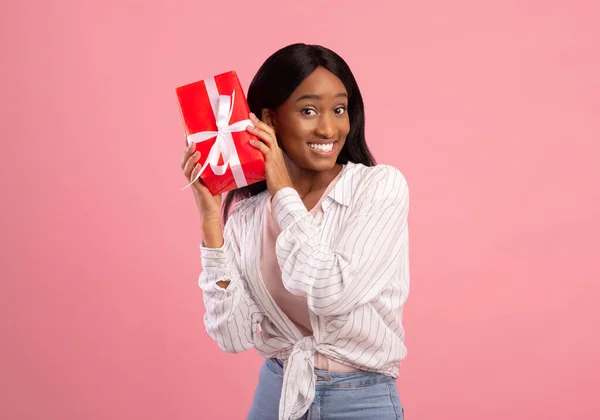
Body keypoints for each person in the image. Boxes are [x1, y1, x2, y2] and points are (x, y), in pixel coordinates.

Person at [180, 43, 409, 420]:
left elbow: (329, 292)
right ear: (268, 120)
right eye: (308, 111)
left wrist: (282, 191)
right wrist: (210, 222)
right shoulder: (248, 217)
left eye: (339, 109)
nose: (328, 128)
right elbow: (233, 336)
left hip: (360, 400)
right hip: (278, 394)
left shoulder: (379, 189)